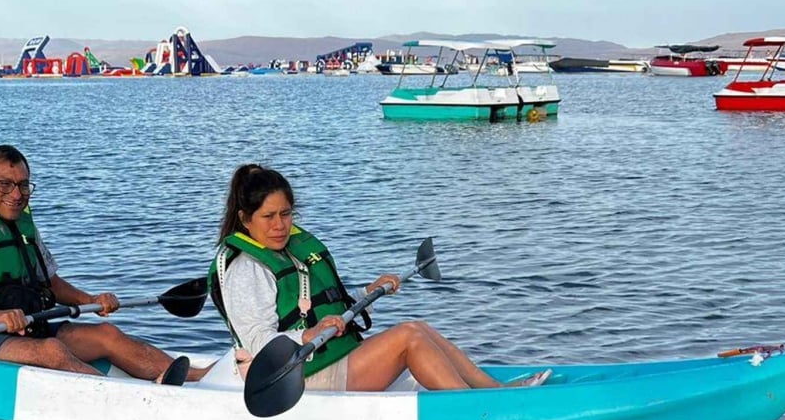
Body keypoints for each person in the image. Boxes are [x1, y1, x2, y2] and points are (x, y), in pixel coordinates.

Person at [207, 164, 549, 393]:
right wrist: (309, 334)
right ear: (245, 219)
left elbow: (314, 304)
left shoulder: (291, 249)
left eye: (285, 214)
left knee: (417, 327)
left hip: (330, 357)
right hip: (295, 379)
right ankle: (476, 410)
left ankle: (494, 391)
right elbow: (258, 341)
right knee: (407, 339)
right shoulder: (246, 269)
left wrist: (365, 292)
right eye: (268, 216)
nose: (280, 225)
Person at [0, 145, 205, 383]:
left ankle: (199, 379)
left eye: (23, 185)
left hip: (25, 326)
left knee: (107, 335)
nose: (16, 195)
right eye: (4, 184)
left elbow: (50, 283)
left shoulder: (22, 223)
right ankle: (126, 398)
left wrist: (90, 300)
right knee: (52, 351)